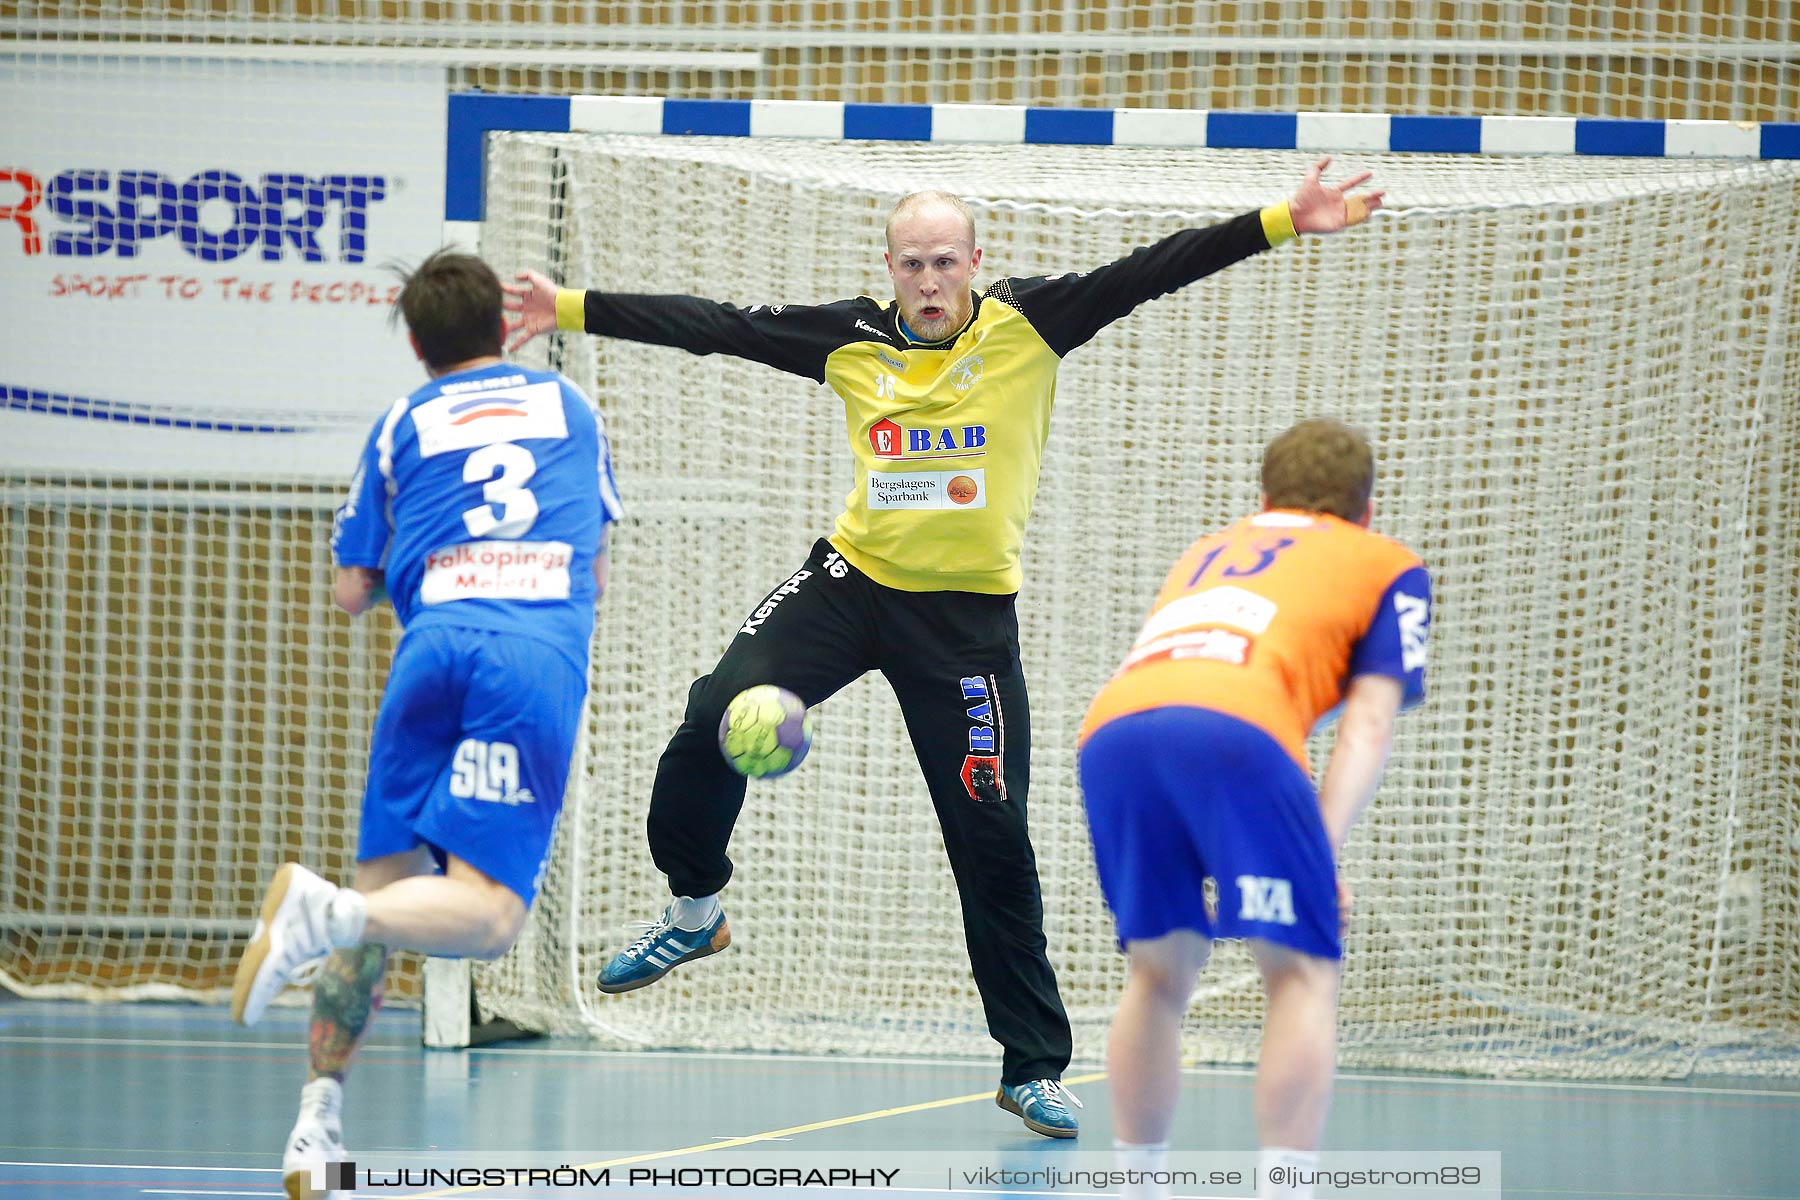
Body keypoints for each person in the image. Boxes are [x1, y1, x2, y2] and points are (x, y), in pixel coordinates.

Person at [504, 157, 1382, 1139]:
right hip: (849, 587)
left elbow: (1155, 268)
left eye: (943, 264)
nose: (928, 282)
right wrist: (567, 305)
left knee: (992, 835)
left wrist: (1283, 221)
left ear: (975, 262)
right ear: (890, 267)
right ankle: (696, 907)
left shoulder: (1030, 325)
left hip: (965, 625)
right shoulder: (851, 340)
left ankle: (1033, 1065)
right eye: (911, 264)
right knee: (714, 714)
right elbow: (715, 327)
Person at [229, 249, 623, 1200]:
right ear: (505, 326)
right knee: (487, 919)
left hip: (430, 651)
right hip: (525, 658)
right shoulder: (571, 409)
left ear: (415, 342)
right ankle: (322, 913)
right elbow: (598, 559)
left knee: (392, 892)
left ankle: (315, 1123)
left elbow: (351, 590)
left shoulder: (400, 422)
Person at [1077, 418, 1430, 1199]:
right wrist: (1320, 851)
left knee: (1158, 973)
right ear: (1366, 509)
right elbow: (1368, 726)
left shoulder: (1209, 549)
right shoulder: (1387, 563)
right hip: (1236, 732)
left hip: (1112, 733)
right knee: (1301, 973)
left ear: (1264, 498)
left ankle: (1136, 1184)